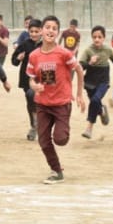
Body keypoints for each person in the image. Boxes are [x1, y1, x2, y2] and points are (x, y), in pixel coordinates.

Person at [27, 15, 86, 183]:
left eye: (54, 28)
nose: (50, 30)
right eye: (47, 27)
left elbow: (80, 70)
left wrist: (80, 94)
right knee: (44, 141)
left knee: (60, 139)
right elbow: (31, 78)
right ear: (41, 31)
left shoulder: (64, 53)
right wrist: (34, 86)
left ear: (58, 32)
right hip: (43, 105)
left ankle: (63, 128)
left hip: (61, 104)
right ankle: (56, 171)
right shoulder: (34, 56)